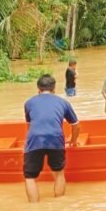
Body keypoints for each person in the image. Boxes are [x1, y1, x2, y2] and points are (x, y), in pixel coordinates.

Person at [24, 74, 80, 203]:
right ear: (54, 89)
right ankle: (59, 205)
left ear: (38, 89)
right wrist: (73, 140)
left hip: (35, 140)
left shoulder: (29, 103)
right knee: (59, 172)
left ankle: (33, 208)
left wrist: (29, 144)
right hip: (56, 139)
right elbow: (76, 125)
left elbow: (29, 126)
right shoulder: (63, 102)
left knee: (30, 177)